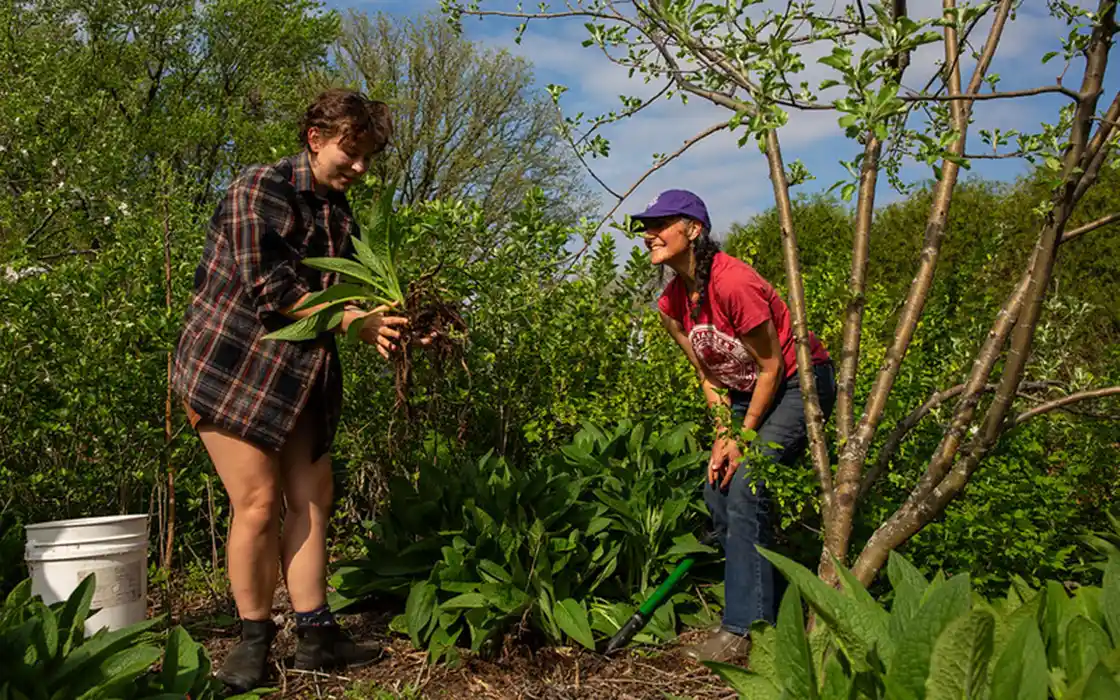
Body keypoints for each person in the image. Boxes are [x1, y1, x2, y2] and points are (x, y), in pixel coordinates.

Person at [172, 89, 406, 692]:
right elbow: (272, 289)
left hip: (300, 371)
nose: (360, 168)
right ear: (315, 137)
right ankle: (252, 642)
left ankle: (316, 635)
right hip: (233, 367)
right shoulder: (260, 188)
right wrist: (353, 320)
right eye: (351, 154)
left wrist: (395, 322)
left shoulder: (341, 211)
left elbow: (351, 289)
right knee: (257, 499)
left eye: (369, 158)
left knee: (312, 495)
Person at [633, 189, 836, 663]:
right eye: (647, 225)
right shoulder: (672, 303)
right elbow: (707, 373)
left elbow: (771, 369)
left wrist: (742, 438)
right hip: (746, 389)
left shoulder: (733, 283)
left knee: (747, 482)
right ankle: (775, 601)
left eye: (662, 224)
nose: (649, 234)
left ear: (693, 230)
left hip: (795, 381)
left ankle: (745, 628)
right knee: (716, 489)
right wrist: (725, 434)